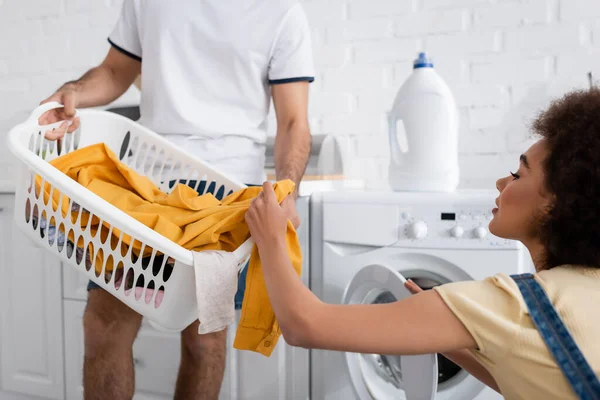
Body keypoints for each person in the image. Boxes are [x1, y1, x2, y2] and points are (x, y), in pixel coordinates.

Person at [246, 88, 600, 400]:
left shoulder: (510, 302)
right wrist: (444, 328)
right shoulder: (583, 290)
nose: (499, 182)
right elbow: (528, 380)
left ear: (558, 202)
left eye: (517, 174)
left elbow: (304, 324)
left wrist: (272, 238)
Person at [38, 0, 313, 398]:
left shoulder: (282, 14)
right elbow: (116, 72)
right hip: (147, 187)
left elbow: (293, 121)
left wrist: (288, 188)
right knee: (103, 326)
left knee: (204, 340)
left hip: (226, 195)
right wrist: (75, 91)